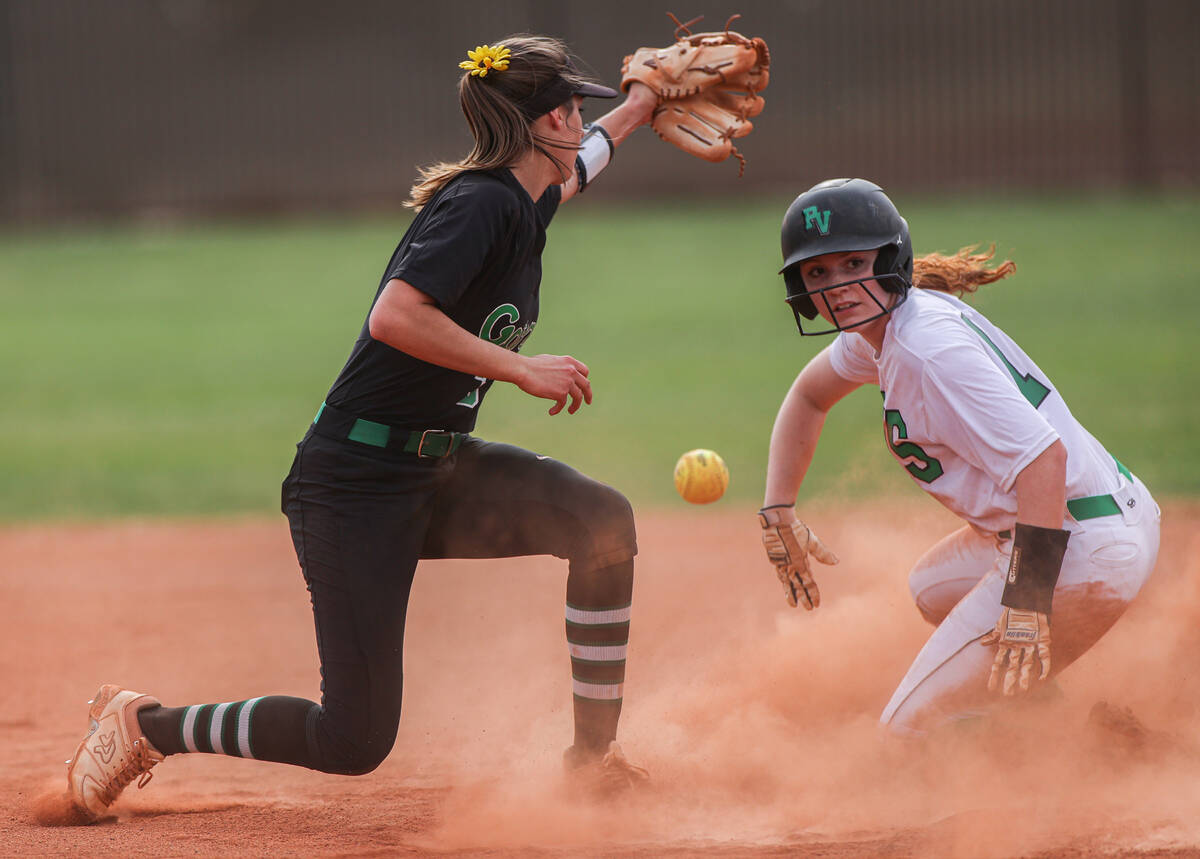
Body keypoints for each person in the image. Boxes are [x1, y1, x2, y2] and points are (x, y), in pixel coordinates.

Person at [63, 36, 658, 821]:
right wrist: (521, 367)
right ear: (535, 122)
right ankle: (146, 725)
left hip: (435, 470)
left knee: (601, 520)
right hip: (352, 485)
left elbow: (582, 163)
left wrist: (643, 105)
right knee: (354, 737)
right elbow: (395, 316)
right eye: (568, 106)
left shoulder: (521, 200)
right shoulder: (481, 203)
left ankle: (591, 763)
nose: (577, 118)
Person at [757, 178, 1161, 735]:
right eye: (818, 272)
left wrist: (1027, 603)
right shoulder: (882, 328)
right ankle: (1033, 709)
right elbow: (808, 396)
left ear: (890, 257)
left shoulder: (928, 352)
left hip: (1080, 550)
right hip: (1091, 520)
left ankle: (1065, 756)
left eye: (854, 262)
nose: (839, 286)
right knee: (931, 589)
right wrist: (778, 509)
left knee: (906, 735)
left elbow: (1045, 460)